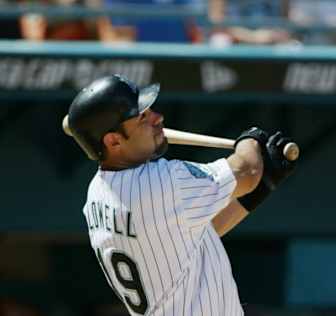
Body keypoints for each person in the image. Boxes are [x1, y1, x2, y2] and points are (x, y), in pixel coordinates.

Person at [66, 74, 296, 315]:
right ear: (113, 141)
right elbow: (247, 169)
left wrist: (264, 184)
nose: (158, 117)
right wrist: (252, 138)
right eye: (143, 116)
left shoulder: (97, 193)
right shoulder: (160, 184)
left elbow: (197, 234)